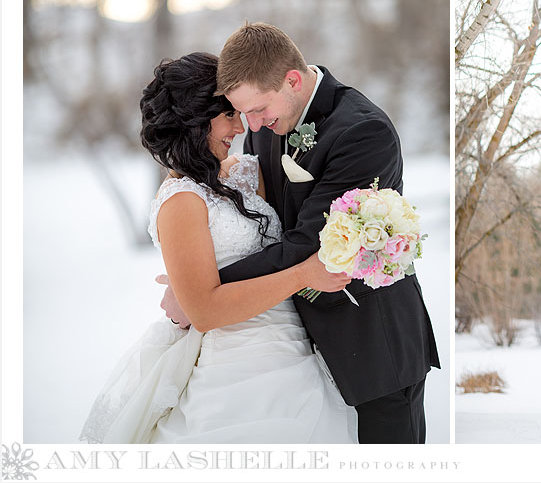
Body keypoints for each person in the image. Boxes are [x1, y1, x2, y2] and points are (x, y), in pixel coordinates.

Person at [159, 22, 440, 444]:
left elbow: (308, 243)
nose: (250, 127)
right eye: (241, 113)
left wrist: (203, 290)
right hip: (294, 351)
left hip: (371, 343)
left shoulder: (362, 132)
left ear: (292, 79)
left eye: (257, 110)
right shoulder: (269, 123)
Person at [80, 52, 357, 444]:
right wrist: (302, 276)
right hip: (237, 363)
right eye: (228, 114)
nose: (242, 125)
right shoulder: (180, 202)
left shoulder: (245, 173)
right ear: (195, 121)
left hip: (297, 349)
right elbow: (206, 312)